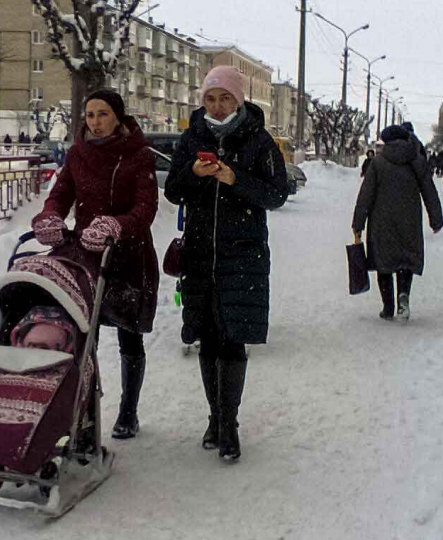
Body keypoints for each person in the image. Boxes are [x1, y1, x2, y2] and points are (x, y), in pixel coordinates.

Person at [164, 67, 289, 461]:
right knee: (207, 340)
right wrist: (194, 174)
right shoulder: (192, 137)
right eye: (211, 98)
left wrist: (236, 180)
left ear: (238, 101)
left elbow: (276, 195)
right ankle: (214, 418)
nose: (217, 106)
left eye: (225, 98)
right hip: (201, 254)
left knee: (232, 340)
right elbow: (172, 191)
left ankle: (229, 424)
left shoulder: (259, 140)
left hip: (243, 255)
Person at [32, 88, 159, 439]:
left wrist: (117, 225)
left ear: (117, 117)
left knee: (129, 339)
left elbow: (145, 208)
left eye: (103, 114)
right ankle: (85, 408)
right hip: (87, 258)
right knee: (84, 338)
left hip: (129, 259)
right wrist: (50, 217)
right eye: (90, 115)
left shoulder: (138, 156)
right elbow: (60, 195)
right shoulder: (78, 154)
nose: (96, 122)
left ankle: (128, 412)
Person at [352, 124, 443, 323]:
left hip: (382, 221)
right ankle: (403, 297)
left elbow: (365, 196)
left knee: (384, 264)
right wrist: (436, 219)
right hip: (409, 220)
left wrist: (358, 223)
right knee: (405, 261)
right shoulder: (417, 161)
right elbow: (429, 191)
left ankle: (388, 307)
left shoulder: (378, 163)